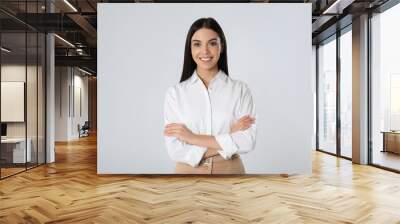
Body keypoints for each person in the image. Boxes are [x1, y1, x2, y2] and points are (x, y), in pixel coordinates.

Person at [163, 17, 257, 174]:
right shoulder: (175, 94)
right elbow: (174, 150)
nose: (205, 51)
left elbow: (247, 141)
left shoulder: (240, 90)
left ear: (222, 46)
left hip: (230, 172)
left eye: (212, 43)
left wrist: (192, 138)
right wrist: (229, 136)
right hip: (187, 174)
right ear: (190, 49)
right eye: (197, 44)